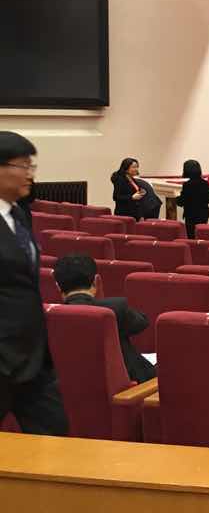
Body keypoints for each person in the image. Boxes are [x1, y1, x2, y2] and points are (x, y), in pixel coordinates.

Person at [0, 132, 69, 435]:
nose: (30, 174)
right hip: (3, 359)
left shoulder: (18, 215)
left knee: (55, 438)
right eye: (23, 166)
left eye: (32, 166)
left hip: (32, 358)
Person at [53, 253, 156, 384]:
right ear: (96, 281)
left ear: (58, 286)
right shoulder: (114, 309)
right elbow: (142, 322)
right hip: (130, 387)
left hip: (70, 387)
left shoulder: (49, 316)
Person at [174, 160, 209, 239]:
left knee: (191, 237)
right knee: (201, 237)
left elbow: (181, 202)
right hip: (203, 215)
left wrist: (177, 196)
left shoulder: (187, 185)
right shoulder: (206, 183)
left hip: (191, 216)